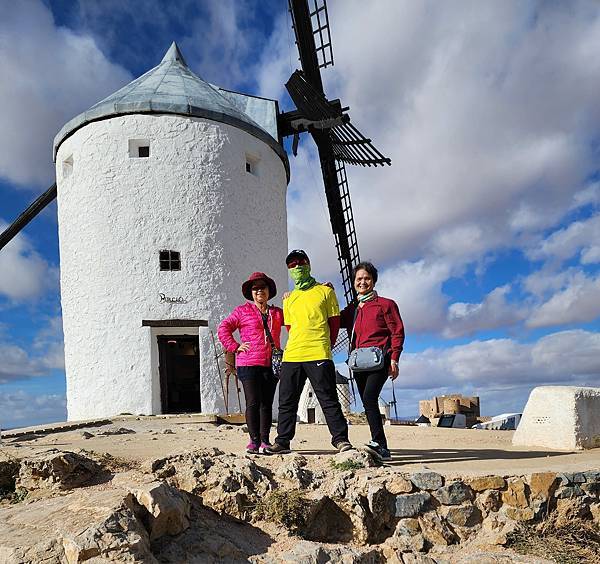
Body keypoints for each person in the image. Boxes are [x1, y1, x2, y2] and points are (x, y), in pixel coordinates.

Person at [265, 249, 353, 455]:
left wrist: (326, 346)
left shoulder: (325, 292)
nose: (297, 267)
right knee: (286, 401)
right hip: (293, 354)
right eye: (292, 265)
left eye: (300, 263)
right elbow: (290, 328)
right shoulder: (289, 298)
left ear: (309, 265)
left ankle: (341, 440)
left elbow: (334, 323)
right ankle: (283, 441)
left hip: (318, 353)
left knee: (328, 399)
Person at [341, 261, 404, 461]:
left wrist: (394, 359)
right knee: (368, 403)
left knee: (369, 398)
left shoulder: (386, 304)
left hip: (380, 360)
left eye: (367, 278)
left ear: (374, 281)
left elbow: (397, 332)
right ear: (353, 282)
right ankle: (380, 444)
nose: (363, 282)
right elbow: (332, 319)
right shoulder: (352, 309)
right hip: (359, 362)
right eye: (359, 278)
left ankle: (380, 444)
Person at [218, 272, 284, 454]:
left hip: (271, 364)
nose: (259, 291)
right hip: (248, 363)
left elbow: (297, 320)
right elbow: (223, 328)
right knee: (253, 402)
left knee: (266, 404)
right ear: (251, 293)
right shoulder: (242, 311)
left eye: (262, 287)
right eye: (255, 288)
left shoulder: (277, 313)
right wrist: (235, 346)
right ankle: (253, 441)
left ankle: (265, 440)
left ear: (269, 290)